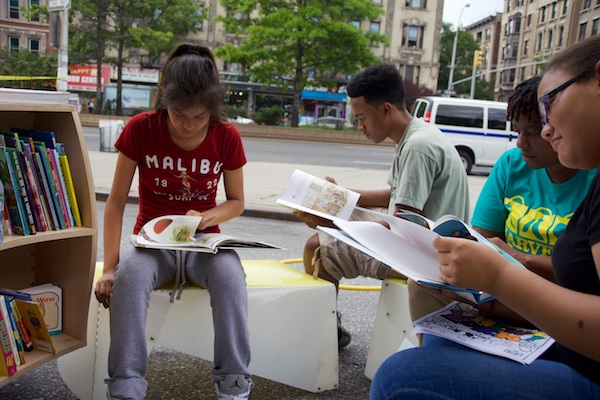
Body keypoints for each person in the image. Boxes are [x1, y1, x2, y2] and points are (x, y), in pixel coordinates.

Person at [370, 36, 600, 400]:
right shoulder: (515, 166)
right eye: (525, 127)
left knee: (400, 376)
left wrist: (501, 273)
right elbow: (480, 235)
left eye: (549, 105)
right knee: (438, 333)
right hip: (547, 324)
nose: (543, 130)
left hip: (572, 350)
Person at [94, 44, 253, 400]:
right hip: (152, 245)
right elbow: (116, 202)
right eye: (179, 114)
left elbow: (238, 201)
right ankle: (126, 386)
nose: (188, 125)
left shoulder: (225, 135)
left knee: (231, 277)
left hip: (203, 245)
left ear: (212, 111)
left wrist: (207, 217)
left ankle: (233, 381)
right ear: (164, 100)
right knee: (128, 279)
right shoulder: (141, 128)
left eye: (199, 117)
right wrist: (109, 268)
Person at [292, 63, 470, 347]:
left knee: (318, 247)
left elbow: (402, 227)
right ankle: (327, 322)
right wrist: (341, 195)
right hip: (432, 250)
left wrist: (334, 222)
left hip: (425, 260)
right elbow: (395, 195)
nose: (359, 126)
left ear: (386, 109)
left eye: (362, 117)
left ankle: (325, 332)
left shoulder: (416, 147)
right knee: (327, 237)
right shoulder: (417, 135)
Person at [408, 76, 597, 325]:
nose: (521, 143)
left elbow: (585, 279)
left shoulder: (593, 180)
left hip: (567, 307)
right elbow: (482, 240)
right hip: (502, 294)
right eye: (517, 131)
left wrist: (519, 258)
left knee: (406, 365)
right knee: (424, 282)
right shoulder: (511, 165)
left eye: (534, 132)